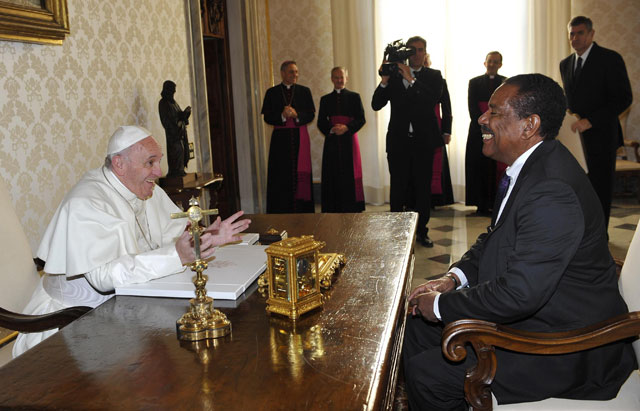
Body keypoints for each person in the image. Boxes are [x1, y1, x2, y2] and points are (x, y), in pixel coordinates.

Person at [402, 74, 636, 410]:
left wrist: (441, 305)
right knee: (416, 327)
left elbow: (518, 294)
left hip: (567, 346)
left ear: (529, 125)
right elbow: (493, 238)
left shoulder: (551, 190)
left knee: (428, 375)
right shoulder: (532, 165)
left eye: (494, 112)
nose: (482, 118)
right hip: (541, 314)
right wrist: (454, 278)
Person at [13, 126, 250, 357]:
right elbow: (102, 278)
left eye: (159, 161)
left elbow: (174, 235)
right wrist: (176, 256)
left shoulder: (147, 189)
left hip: (126, 312)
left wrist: (206, 238)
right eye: (150, 162)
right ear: (119, 164)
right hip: (71, 329)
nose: (159, 171)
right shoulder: (87, 202)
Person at [559, 16, 632, 232]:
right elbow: (570, 100)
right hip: (574, 139)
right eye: (571, 34)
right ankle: (579, 232)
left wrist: (590, 121)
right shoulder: (565, 63)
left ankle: (599, 235)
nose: (575, 38)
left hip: (602, 135)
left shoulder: (610, 59)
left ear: (591, 34)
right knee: (576, 187)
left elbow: (623, 98)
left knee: (600, 187)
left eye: (580, 33)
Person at [372, 36, 443, 247]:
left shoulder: (433, 76)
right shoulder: (393, 77)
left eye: (421, 50)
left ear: (425, 52)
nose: (417, 54)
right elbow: (376, 104)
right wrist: (384, 81)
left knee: (422, 189)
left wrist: (411, 79)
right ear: (406, 53)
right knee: (398, 188)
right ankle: (396, 231)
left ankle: (422, 231)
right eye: (412, 50)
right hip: (398, 142)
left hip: (423, 143)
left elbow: (432, 99)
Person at [261, 60, 316, 213]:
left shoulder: (305, 91)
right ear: (283, 73)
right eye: (291, 72)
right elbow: (267, 117)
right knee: (280, 174)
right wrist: (282, 116)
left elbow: (311, 114)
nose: (295, 75)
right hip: (280, 141)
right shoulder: (272, 93)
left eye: (296, 72)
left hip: (300, 138)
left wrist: (296, 114)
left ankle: (302, 209)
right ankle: (281, 209)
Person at [317, 67, 366, 212]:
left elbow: (361, 119)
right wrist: (332, 129)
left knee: (349, 172)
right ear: (331, 79)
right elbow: (321, 121)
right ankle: (332, 206)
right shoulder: (325, 99)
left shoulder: (354, 97)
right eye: (336, 77)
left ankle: (351, 206)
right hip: (332, 140)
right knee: (332, 172)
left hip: (348, 140)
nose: (339, 80)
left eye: (341, 77)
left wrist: (346, 128)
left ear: (346, 78)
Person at [465, 51, 507, 215]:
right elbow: (472, 108)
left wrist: (495, 126)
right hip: (478, 131)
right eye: (490, 61)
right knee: (477, 167)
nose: (492, 64)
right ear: (485, 63)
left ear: (500, 65)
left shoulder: (505, 82)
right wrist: (485, 126)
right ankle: (479, 205)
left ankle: (494, 204)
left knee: (494, 169)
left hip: (499, 131)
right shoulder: (474, 82)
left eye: (496, 62)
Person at [424, 53, 454, 207]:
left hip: (436, 127)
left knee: (436, 163)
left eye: (426, 61)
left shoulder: (439, 80)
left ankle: (436, 199)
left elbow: (446, 107)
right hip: (415, 130)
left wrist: (447, 131)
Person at [159, 80, 192, 177]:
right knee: (176, 153)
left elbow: (179, 115)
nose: (174, 93)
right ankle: (176, 171)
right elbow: (168, 122)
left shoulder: (174, 103)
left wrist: (185, 114)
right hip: (174, 137)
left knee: (183, 152)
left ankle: (180, 170)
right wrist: (180, 117)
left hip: (180, 134)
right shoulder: (163, 103)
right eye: (172, 91)